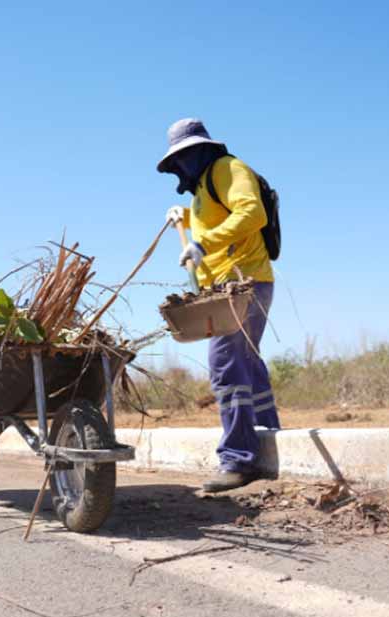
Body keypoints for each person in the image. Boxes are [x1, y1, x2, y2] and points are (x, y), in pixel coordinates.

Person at [157, 118, 281, 492]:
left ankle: (238, 459)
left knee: (225, 366)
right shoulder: (204, 187)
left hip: (243, 284)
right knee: (245, 361)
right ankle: (267, 434)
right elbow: (220, 220)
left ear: (202, 151)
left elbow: (251, 213)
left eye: (185, 157)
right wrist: (188, 219)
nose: (181, 166)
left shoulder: (229, 169)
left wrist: (203, 243)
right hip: (231, 286)